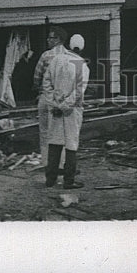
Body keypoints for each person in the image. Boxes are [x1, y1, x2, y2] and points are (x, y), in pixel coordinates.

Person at [42, 32, 90, 189]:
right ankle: (69, 181)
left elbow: (46, 82)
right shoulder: (81, 65)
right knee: (71, 144)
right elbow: (78, 91)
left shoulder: (57, 59)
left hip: (56, 107)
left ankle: (50, 180)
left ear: (69, 45)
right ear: (81, 49)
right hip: (71, 110)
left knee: (54, 142)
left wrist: (54, 104)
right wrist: (65, 106)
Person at [32, 26, 68, 166]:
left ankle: (47, 162)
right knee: (61, 132)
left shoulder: (46, 55)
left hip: (46, 97)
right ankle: (61, 163)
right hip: (62, 98)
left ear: (57, 39)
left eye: (50, 37)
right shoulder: (70, 56)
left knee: (45, 131)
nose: (48, 40)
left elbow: (37, 76)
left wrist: (39, 89)